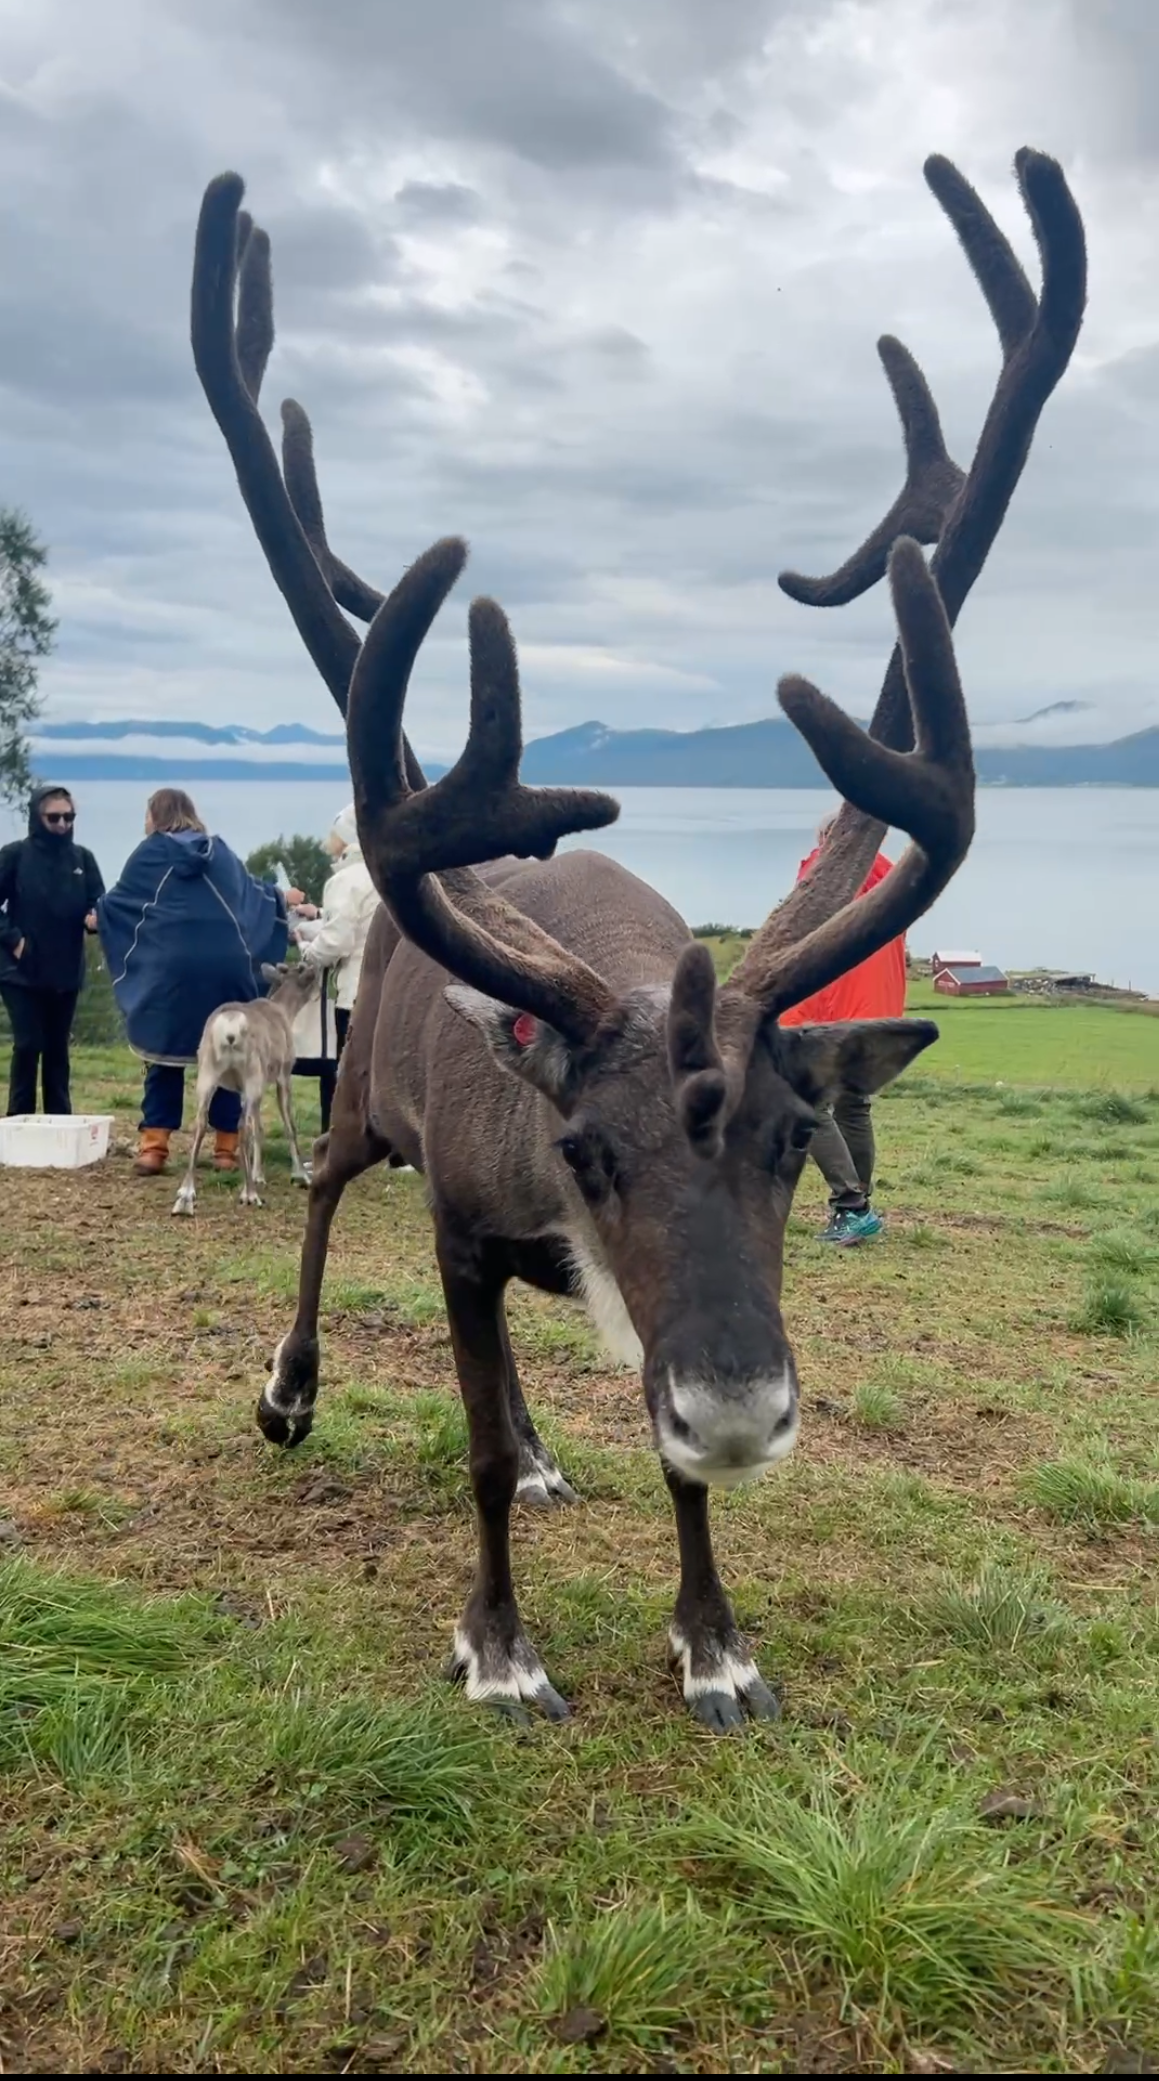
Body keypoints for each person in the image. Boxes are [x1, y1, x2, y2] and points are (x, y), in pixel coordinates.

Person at [97, 788, 299, 1176]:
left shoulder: (150, 852)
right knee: (229, 1055)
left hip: (171, 971)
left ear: (155, 815)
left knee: (163, 1050)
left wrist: (98, 915)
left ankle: (154, 1147)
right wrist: (282, 899)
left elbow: (121, 902)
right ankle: (226, 1150)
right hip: (227, 966)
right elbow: (254, 896)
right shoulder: (219, 852)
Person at [779, 811, 907, 1246]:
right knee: (854, 1107)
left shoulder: (822, 876)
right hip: (879, 1014)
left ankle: (852, 1205)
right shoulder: (895, 885)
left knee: (806, 1105)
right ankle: (859, 1206)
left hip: (832, 1014)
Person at [0, 784, 105, 1117]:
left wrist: (95, 918)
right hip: (20, 971)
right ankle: (19, 1122)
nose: (62, 824)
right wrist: (14, 939)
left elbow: (99, 902)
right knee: (29, 1044)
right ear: (37, 816)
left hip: (66, 970)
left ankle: (60, 1122)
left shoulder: (83, 859)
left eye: (69, 817)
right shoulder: (15, 855)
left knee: (58, 1049)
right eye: (54, 817)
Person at [291, 804, 379, 1123]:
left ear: (345, 838)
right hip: (389, 989)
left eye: (334, 832)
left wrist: (307, 951)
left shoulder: (345, 881)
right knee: (384, 1070)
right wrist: (318, 919)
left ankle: (334, 1145)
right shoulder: (381, 873)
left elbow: (338, 941)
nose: (329, 839)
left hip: (353, 993)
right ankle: (395, 1147)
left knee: (340, 1073)